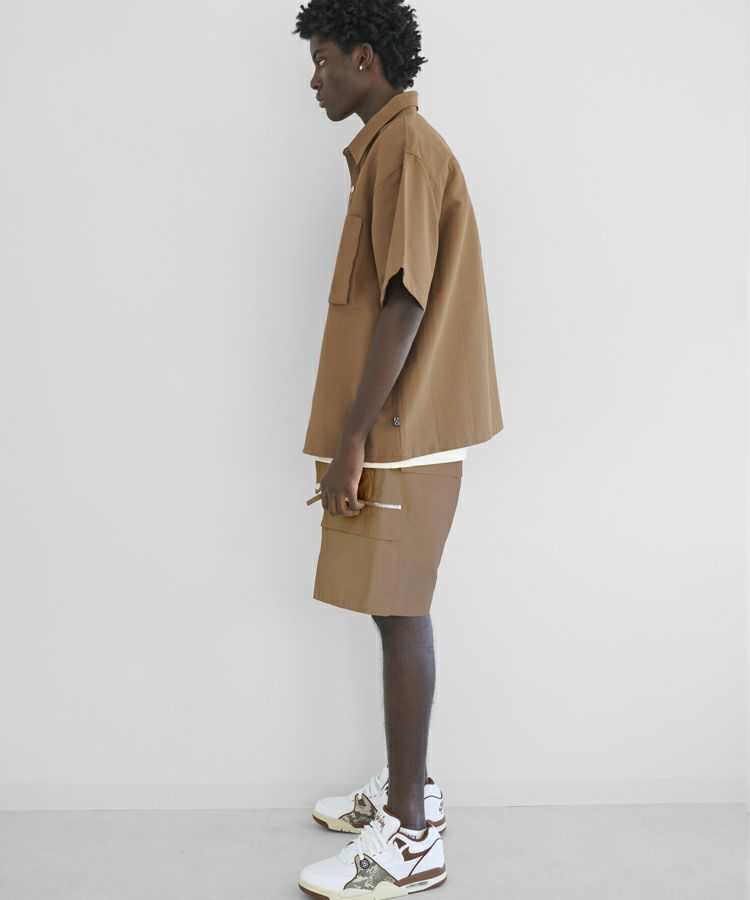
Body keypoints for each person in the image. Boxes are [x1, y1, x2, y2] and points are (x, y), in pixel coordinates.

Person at [293, 1, 503, 895]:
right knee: (392, 609)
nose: (314, 80)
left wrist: (353, 438)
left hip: (398, 431)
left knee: (400, 610)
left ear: (365, 59)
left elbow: (405, 300)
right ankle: (408, 791)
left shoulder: (407, 152)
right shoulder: (385, 150)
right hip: (392, 428)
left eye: (323, 60)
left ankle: (411, 837)